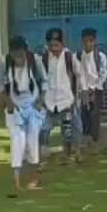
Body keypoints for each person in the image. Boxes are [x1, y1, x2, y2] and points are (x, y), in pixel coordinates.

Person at [0, 35, 46, 196]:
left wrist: (40, 101)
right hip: (14, 105)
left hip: (32, 104)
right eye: (15, 55)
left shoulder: (35, 60)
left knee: (32, 141)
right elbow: (0, 85)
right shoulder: (4, 62)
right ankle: (17, 181)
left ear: (25, 51)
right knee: (17, 141)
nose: (18, 58)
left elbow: (45, 81)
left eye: (21, 54)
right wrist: (8, 102)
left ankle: (34, 178)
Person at [38, 27, 86, 164]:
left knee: (71, 129)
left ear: (62, 43)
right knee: (44, 128)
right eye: (51, 45)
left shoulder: (69, 57)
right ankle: (43, 155)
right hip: (50, 101)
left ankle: (74, 153)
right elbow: (41, 78)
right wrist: (41, 98)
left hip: (67, 100)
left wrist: (82, 91)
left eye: (56, 45)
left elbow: (80, 74)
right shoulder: (45, 58)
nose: (54, 48)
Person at [77, 28, 107, 153]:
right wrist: (84, 90)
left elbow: (103, 74)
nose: (87, 44)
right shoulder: (78, 56)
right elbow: (79, 74)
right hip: (83, 89)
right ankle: (86, 136)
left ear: (94, 41)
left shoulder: (100, 57)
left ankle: (94, 139)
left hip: (96, 89)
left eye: (90, 41)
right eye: (85, 41)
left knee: (94, 114)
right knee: (84, 113)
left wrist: (94, 89)